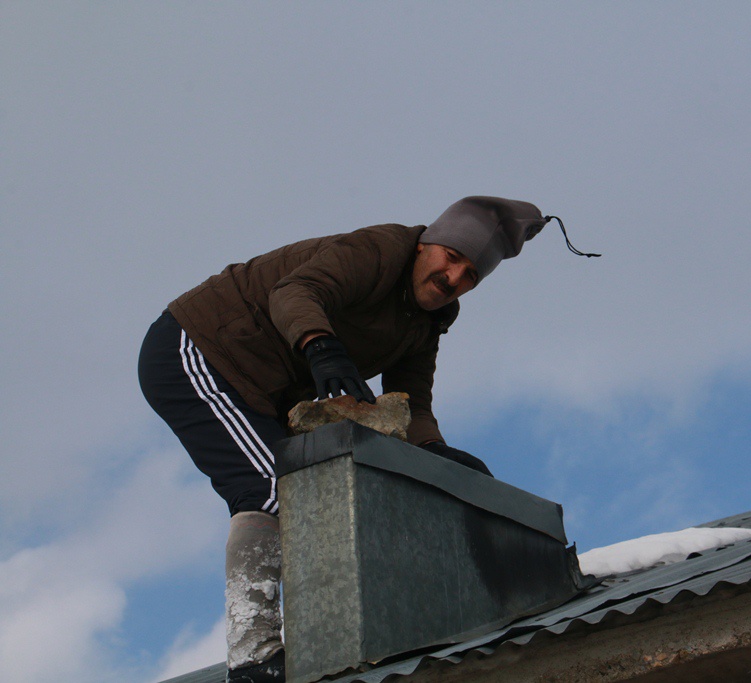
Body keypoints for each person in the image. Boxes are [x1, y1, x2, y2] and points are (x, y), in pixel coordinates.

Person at [137, 196, 597, 682]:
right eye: (452, 258)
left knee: (319, 495)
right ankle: (254, 660)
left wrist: (433, 451)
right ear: (426, 244)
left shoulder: (432, 318)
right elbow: (296, 292)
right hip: (199, 349)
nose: (453, 279)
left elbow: (411, 400)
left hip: (262, 389)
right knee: (274, 489)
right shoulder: (379, 250)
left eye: (470, 276)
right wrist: (323, 347)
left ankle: (324, 641)